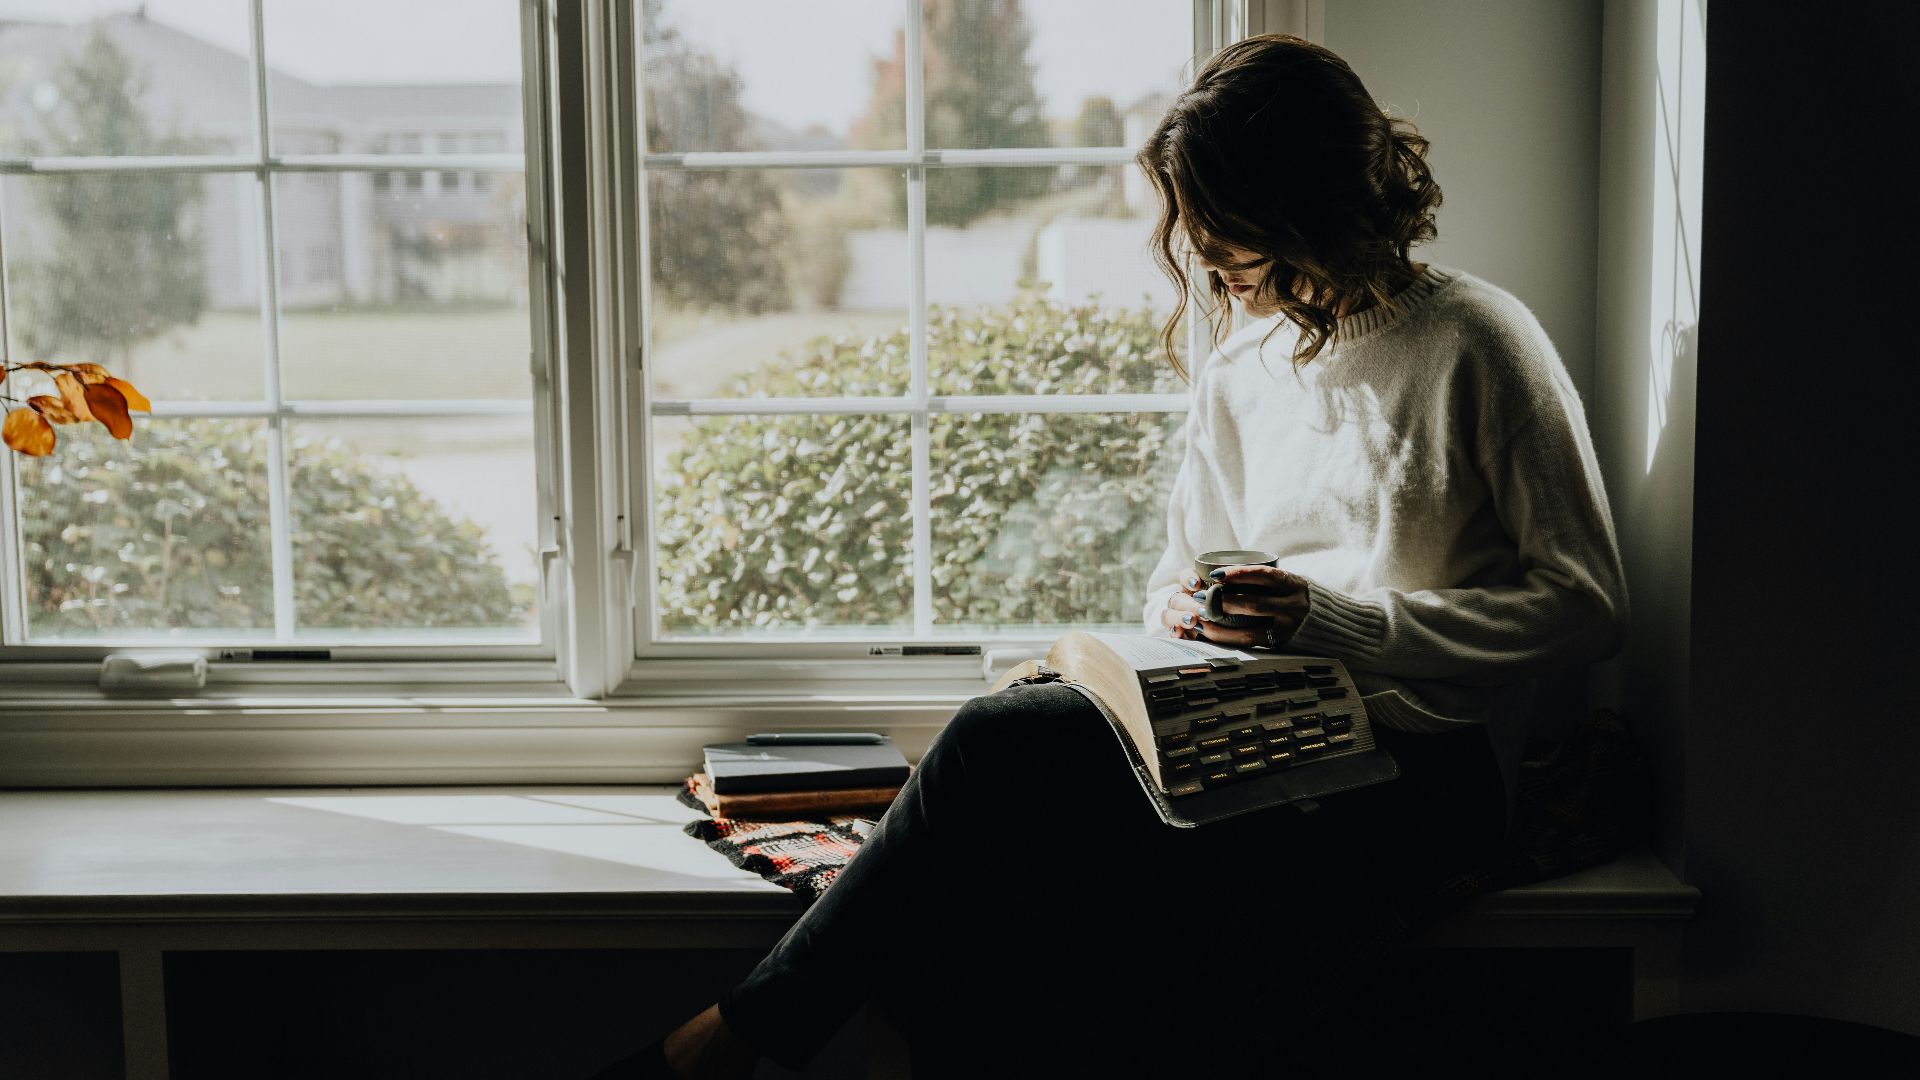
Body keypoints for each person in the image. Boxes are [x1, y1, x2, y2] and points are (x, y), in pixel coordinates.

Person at [588, 32, 1626, 1080]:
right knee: (979, 914)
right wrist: (1193, 609)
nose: (1204, 252)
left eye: (1229, 227)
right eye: (1193, 222)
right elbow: (1176, 572)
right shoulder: (1245, 361)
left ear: (1315, 201)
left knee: (997, 755)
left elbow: (1585, 606)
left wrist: (1334, 622)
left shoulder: (1478, 342)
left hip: (1415, 772)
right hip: (1245, 736)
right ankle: (730, 1049)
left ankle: (720, 1048)